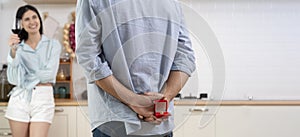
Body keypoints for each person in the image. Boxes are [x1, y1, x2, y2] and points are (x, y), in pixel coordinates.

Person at [75, 0, 195, 136]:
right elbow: (186, 56)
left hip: (115, 122)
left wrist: (136, 101)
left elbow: (89, 58)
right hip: (159, 123)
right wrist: (162, 101)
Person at [5, 5, 61, 137]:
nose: (32, 22)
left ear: (40, 20)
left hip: (43, 98)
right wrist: (13, 52)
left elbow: (49, 74)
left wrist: (24, 78)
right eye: (27, 19)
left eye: (34, 17)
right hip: (20, 98)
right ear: (21, 24)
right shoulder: (18, 47)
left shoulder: (53, 45)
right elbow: (13, 79)